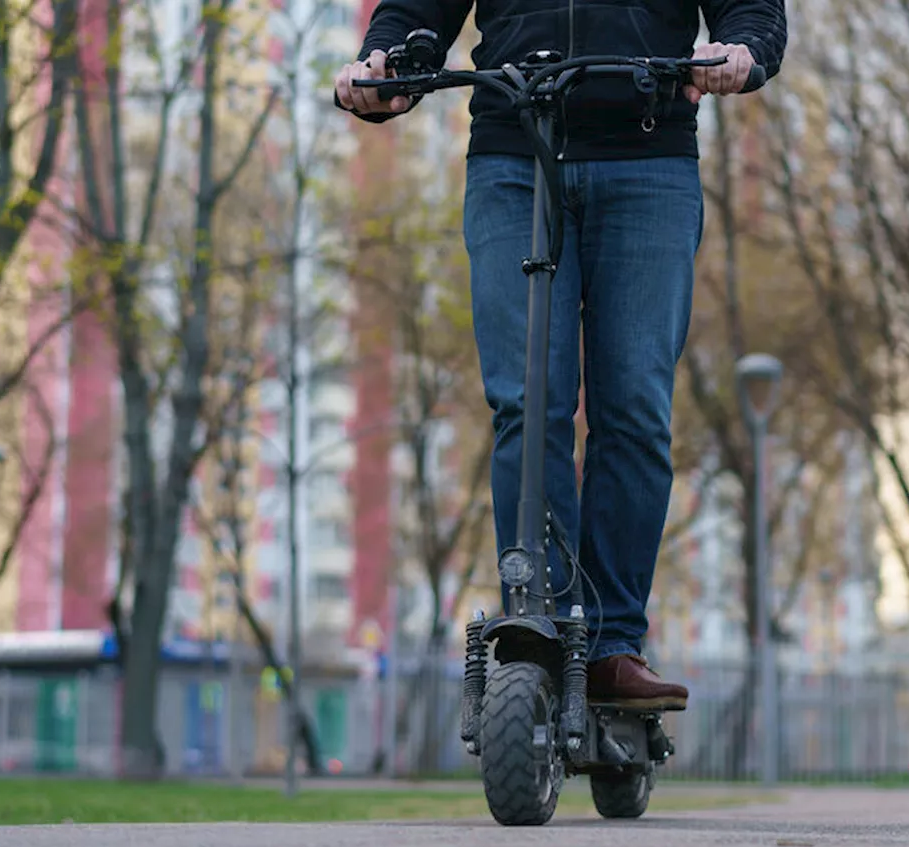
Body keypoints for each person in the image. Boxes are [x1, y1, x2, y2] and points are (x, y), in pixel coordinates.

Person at [335, 0, 787, 711]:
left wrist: (743, 46)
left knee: (634, 409)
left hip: (648, 156)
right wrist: (387, 58)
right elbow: (418, 11)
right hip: (514, 151)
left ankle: (611, 645)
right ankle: (539, 613)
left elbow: (751, 8)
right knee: (526, 397)